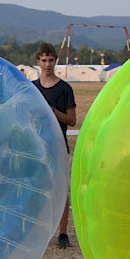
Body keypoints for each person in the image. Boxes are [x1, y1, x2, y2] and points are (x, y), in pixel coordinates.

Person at [31, 43, 77, 248]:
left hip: (57, 146)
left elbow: (72, 120)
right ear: (38, 62)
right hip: (36, 147)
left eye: (51, 60)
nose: (47, 64)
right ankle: (38, 232)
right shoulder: (31, 88)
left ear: (55, 61)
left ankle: (63, 233)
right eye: (43, 60)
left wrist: (52, 111)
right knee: (37, 190)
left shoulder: (64, 89)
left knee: (60, 191)